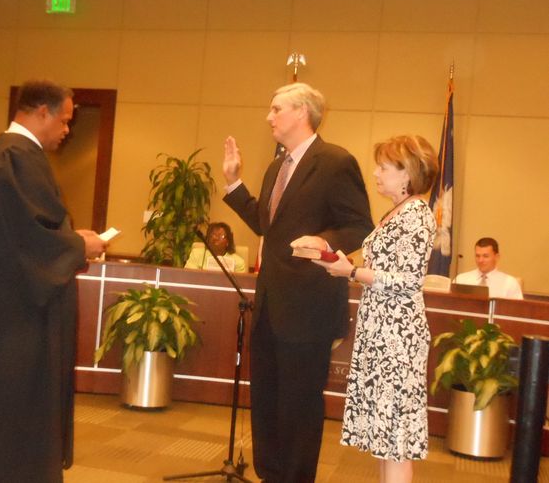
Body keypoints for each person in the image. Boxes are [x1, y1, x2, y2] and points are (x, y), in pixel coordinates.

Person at [222, 82, 373, 482]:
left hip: (309, 308)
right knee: (267, 401)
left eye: (276, 109)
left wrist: (324, 243)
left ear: (302, 113)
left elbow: (359, 225)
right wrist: (235, 185)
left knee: (300, 407)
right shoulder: (277, 166)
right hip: (270, 305)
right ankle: (270, 474)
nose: (268, 117)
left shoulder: (336, 161)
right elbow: (266, 226)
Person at [0, 80, 106, 482]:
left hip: (14, 307)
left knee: (17, 410)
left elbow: (32, 230)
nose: (66, 130)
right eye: (63, 121)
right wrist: (79, 247)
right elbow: (34, 238)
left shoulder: (14, 154)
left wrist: (71, 241)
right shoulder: (17, 154)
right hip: (18, 318)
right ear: (41, 111)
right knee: (17, 412)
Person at [294, 135, 438, 483]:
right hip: (381, 333)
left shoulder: (418, 215)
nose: (376, 173)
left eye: (384, 167)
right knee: (384, 438)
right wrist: (342, 261)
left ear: (407, 174)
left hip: (398, 338)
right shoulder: (397, 213)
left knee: (397, 439)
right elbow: (385, 267)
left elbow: (407, 280)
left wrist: (353, 272)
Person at [454, 237, 523, 299]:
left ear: (497, 257)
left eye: (485, 256)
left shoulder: (510, 283)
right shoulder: (461, 280)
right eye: (477, 256)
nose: (480, 260)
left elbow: (518, 311)